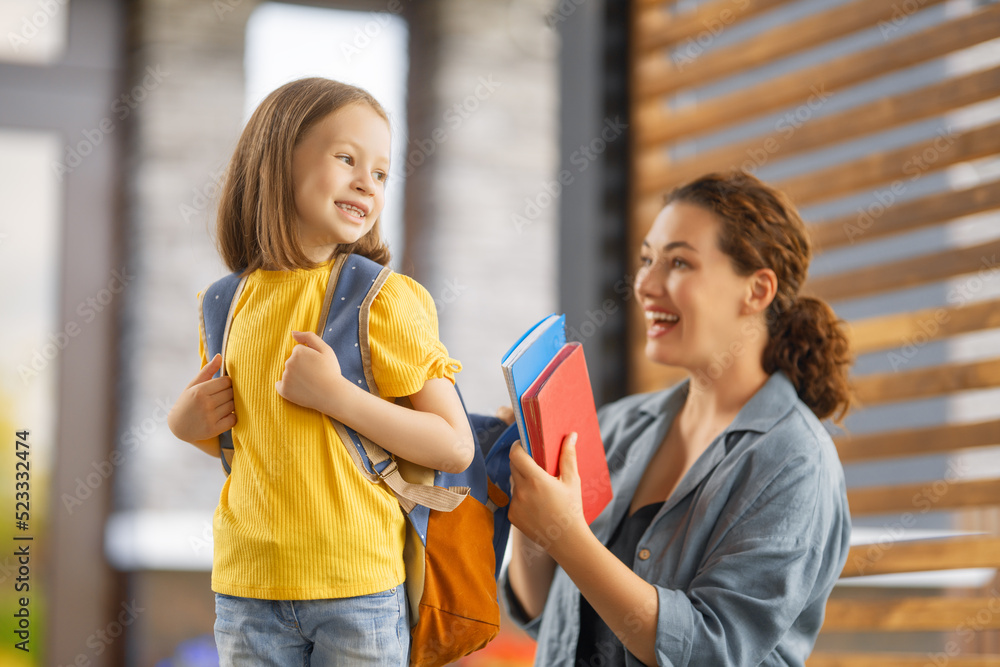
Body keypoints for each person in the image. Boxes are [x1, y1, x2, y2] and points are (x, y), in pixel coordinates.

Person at [166, 78, 474, 666]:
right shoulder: (223, 303)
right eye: (346, 158)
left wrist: (335, 395)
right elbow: (257, 438)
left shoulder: (383, 300)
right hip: (247, 590)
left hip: (357, 591)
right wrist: (187, 426)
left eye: (381, 173)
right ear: (277, 161)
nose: (367, 182)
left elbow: (453, 447)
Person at [502, 170, 853, 666]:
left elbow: (711, 649)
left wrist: (570, 534)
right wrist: (531, 496)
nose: (644, 283)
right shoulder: (620, 425)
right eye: (646, 260)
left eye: (679, 262)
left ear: (757, 290)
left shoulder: (795, 461)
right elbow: (542, 611)